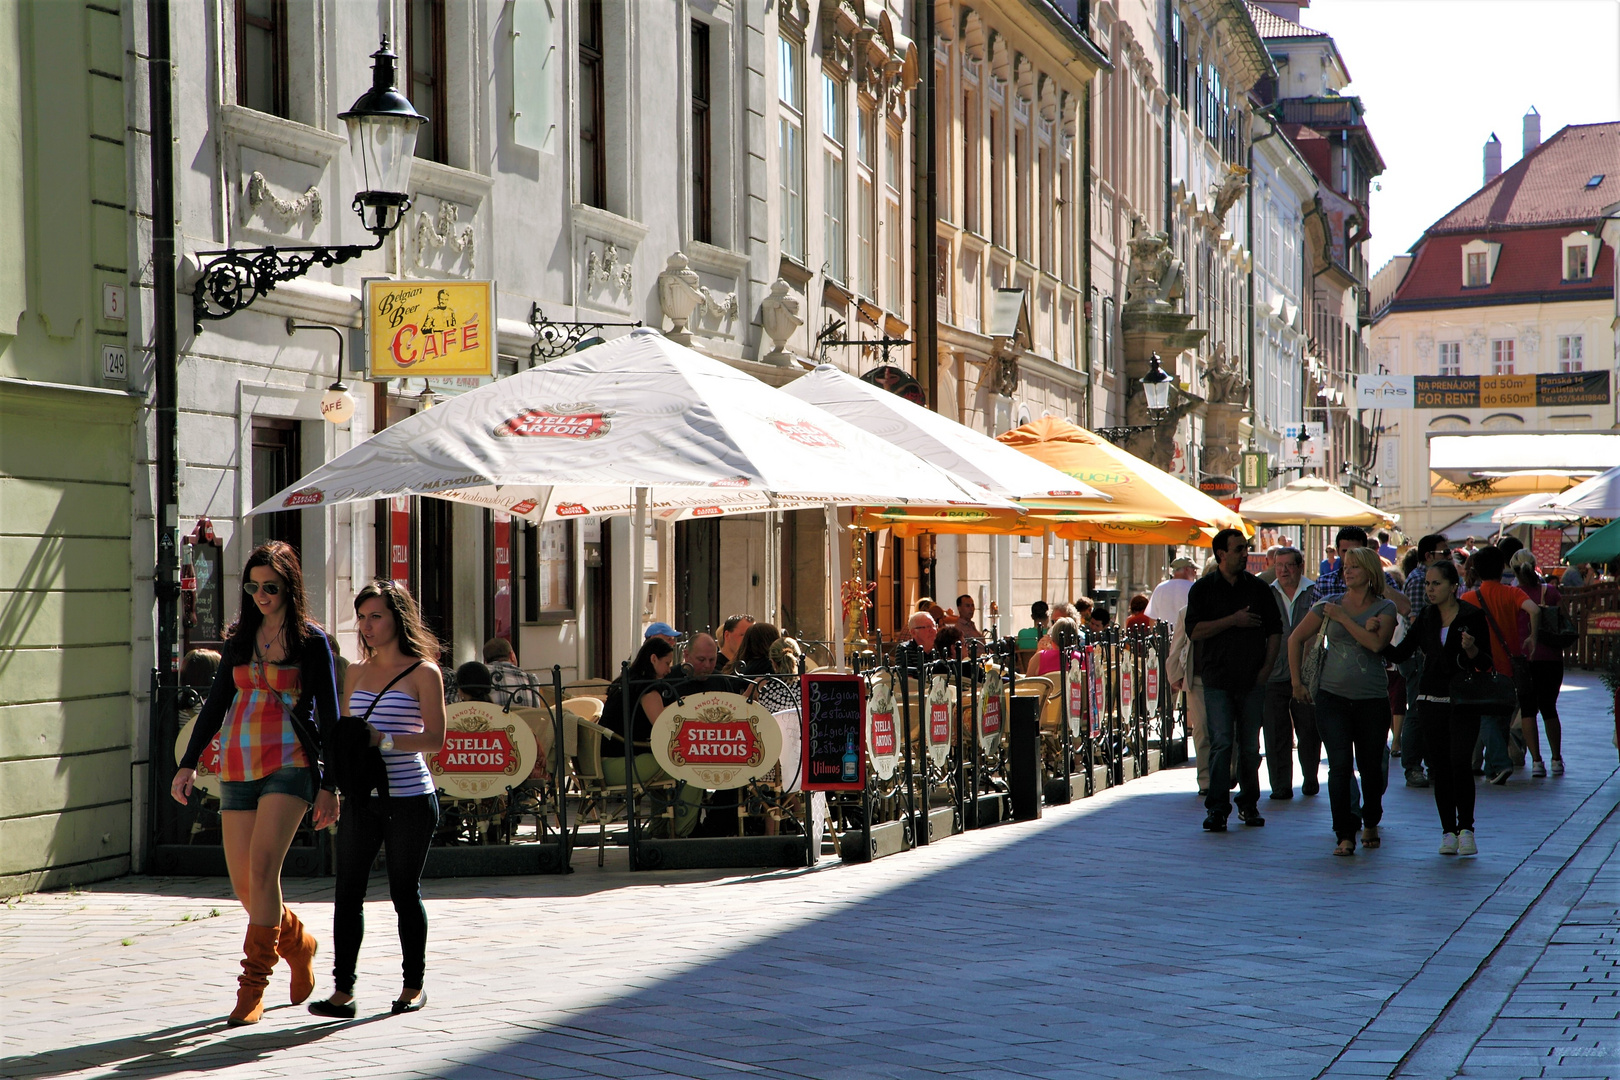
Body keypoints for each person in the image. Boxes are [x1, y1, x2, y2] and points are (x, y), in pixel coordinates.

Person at [172, 541, 339, 1026]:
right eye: (253, 586)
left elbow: (329, 716)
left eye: (271, 587)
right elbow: (216, 703)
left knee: (264, 870)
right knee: (246, 884)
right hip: (238, 764)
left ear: (289, 587)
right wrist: (187, 763)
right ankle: (297, 942)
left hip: (290, 763)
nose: (262, 595)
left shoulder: (312, 641)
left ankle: (252, 988)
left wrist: (329, 783)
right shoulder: (240, 637)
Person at [308, 580, 445, 1019]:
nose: (366, 626)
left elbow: (436, 739)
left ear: (398, 618)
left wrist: (383, 740)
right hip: (363, 797)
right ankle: (342, 992)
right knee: (348, 891)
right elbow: (346, 741)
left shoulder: (424, 672)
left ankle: (412, 985)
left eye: (376, 616)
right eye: (362, 617)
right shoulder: (355, 671)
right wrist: (330, 787)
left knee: (405, 892)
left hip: (409, 798)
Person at [1381, 559, 1495, 856]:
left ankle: (1466, 829)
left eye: (1436, 584)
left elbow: (1486, 662)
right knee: (1440, 768)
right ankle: (1448, 831)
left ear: (1453, 587)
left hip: (1462, 702)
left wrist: (1471, 649)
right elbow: (1402, 651)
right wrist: (1376, 636)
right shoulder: (1427, 617)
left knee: (1460, 762)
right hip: (1430, 701)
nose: (1430, 589)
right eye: (1428, 584)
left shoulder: (1472, 616)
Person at [1289, 548, 1397, 856]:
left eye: (1354, 567)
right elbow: (1294, 639)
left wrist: (1344, 619)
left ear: (1369, 572)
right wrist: (1297, 682)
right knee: (1339, 766)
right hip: (1332, 697)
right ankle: (1345, 832)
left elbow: (1376, 645)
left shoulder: (1384, 607)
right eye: (1345, 567)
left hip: (1371, 700)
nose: (1346, 571)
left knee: (1371, 767)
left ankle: (1371, 819)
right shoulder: (1328, 605)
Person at [1184, 529, 1283, 831]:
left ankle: (1249, 804)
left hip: (1252, 679)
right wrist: (1232, 620)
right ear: (1221, 555)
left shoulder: (1258, 589)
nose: (1245, 554)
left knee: (1250, 746)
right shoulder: (1202, 589)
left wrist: (1266, 669)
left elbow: (1275, 630)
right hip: (1216, 680)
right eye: (1239, 549)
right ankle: (1216, 808)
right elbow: (1195, 630)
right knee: (1222, 742)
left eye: (1247, 548)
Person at [601, 637, 703, 835]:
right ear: (654, 659)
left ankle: (661, 830)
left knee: (667, 774)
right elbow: (663, 727)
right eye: (666, 663)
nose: (668, 670)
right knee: (692, 768)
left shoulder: (626, 681)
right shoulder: (647, 689)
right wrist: (681, 708)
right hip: (622, 765)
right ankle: (684, 832)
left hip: (604, 764)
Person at [1461, 545, 1539, 785]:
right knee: (1501, 717)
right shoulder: (1511, 593)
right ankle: (1491, 767)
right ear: (1502, 567)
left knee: (1485, 717)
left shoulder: (1468, 598)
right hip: (1509, 666)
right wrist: (1532, 637)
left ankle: (1499, 764)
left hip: (1480, 666)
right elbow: (1534, 610)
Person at [1263, 547, 1318, 799]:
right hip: (1274, 670)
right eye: (1279, 565)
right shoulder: (1268, 592)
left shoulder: (1314, 591)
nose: (1283, 570)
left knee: (1308, 728)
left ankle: (1309, 777)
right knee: (1275, 731)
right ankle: (1280, 785)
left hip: (1307, 672)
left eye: (1289, 565)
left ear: (1299, 566)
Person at [1399, 535, 1452, 790]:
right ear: (1429, 556)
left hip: (1432, 658)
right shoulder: (1421, 580)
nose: (1449, 555)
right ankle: (1413, 767)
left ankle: (1432, 765)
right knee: (1417, 711)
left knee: (1430, 712)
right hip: (1419, 658)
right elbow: (1417, 624)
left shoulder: (1432, 577)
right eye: (1445, 552)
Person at [1510, 550, 1565, 777]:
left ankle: (1536, 761)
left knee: (1528, 710)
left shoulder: (1512, 594)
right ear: (1535, 567)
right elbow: (1562, 620)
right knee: (1549, 708)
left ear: (1514, 570)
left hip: (1523, 658)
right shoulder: (1550, 592)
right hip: (1550, 657)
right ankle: (1556, 759)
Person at [1315, 526, 1412, 616]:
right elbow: (1312, 623)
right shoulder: (1324, 582)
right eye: (1345, 551)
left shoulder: (1382, 578)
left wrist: (1375, 579)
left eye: (1356, 551)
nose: (1350, 555)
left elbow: (1405, 609)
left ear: (1365, 550)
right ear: (1338, 551)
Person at [483, 637, 544, 708]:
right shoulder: (530, 679)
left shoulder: (481, 676)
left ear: (485, 661)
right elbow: (536, 711)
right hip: (524, 718)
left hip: (493, 718)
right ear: (512, 656)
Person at [1145, 558, 1197, 627]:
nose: (1195, 573)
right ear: (1186, 569)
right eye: (1194, 570)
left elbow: (1152, 617)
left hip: (1166, 635)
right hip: (1187, 635)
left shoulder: (1160, 588)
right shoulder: (1194, 588)